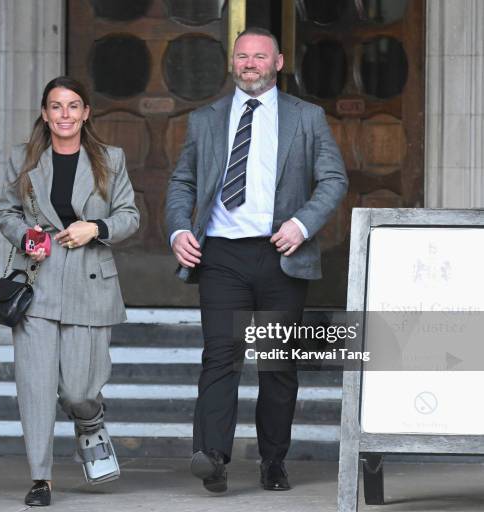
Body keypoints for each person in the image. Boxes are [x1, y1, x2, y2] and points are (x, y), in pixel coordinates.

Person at [165, 27, 348, 493]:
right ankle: (214, 457)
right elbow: (182, 181)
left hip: (280, 253)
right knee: (220, 357)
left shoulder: (307, 117)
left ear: (279, 62)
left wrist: (302, 225)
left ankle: (273, 461)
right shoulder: (205, 119)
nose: (250, 64)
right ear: (233, 61)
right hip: (221, 254)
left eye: (259, 57)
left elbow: (333, 180)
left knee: (276, 364)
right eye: (242, 56)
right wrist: (179, 228)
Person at [0, 76, 139, 506]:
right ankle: (42, 479)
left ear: (86, 113)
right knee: (36, 389)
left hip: (90, 283)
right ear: (45, 113)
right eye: (56, 106)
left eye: (73, 106)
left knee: (78, 390)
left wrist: (95, 227)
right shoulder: (23, 158)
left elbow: (130, 215)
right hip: (36, 285)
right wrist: (25, 236)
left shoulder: (110, 159)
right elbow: (6, 211)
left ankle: (90, 424)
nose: (65, 114)